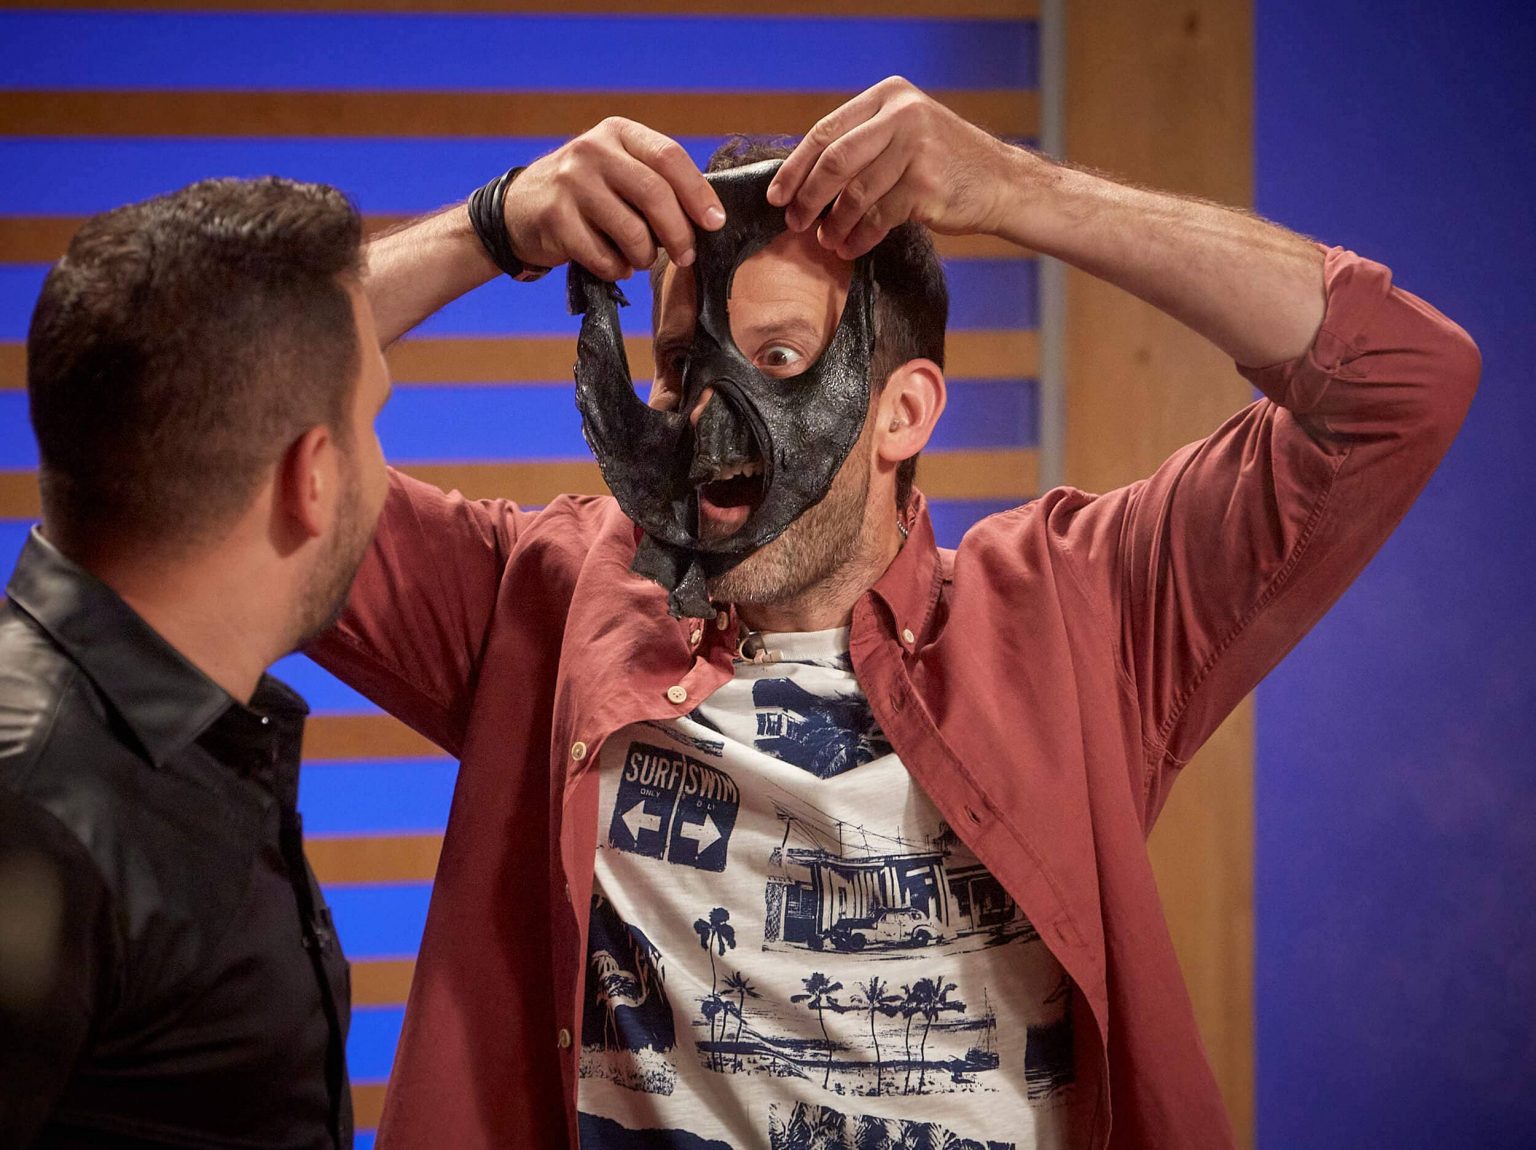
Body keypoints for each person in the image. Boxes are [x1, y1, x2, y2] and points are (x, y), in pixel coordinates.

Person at [310, 78, 1479, 1149]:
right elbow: (228, 436)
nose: (710, 418)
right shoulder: (544, 600)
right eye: (679, 366)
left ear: (904, 412)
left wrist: (1016, 188)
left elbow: (1400, 381)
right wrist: (489, 229)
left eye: (778, 357)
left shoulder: (1081, 614)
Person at [0, 178, 392, 1148]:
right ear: (313, 475)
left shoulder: (162, 749)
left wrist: (491, 231)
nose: (386, 473)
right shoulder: (36, 816)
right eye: (373, 420)